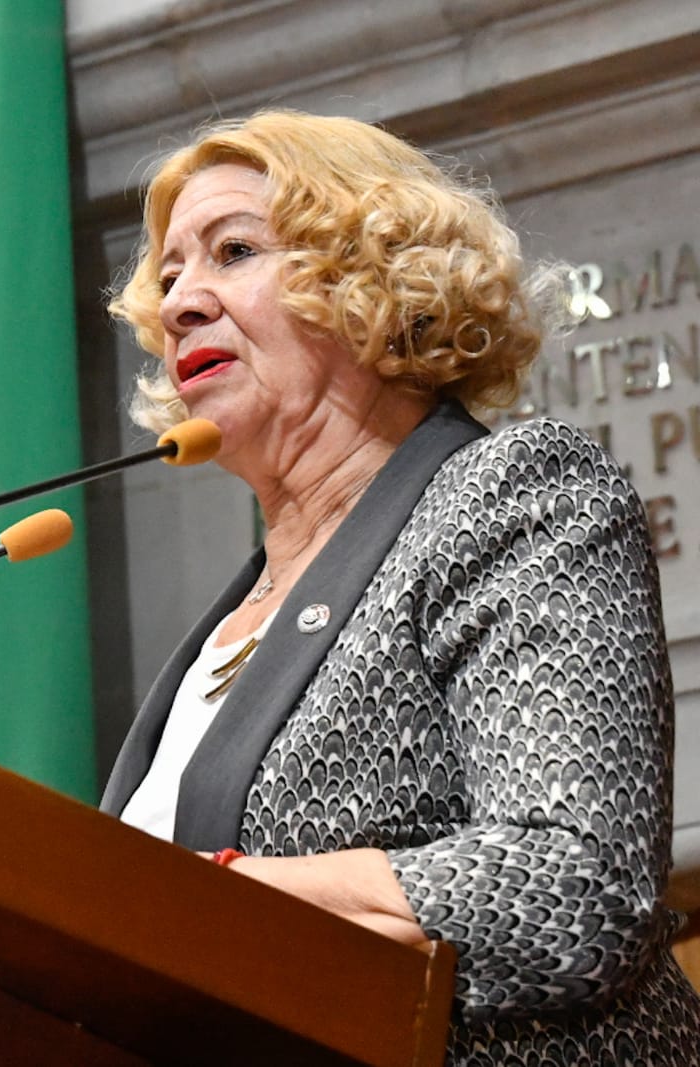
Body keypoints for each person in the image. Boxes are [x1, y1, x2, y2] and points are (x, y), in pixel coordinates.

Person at [100, 109, 700, 1063]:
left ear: (373, 282)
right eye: (169, 278)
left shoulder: (511, 495)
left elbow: (576, 882)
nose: (179, 305)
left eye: (235, 251)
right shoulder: (220, 630)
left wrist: (215, 896)